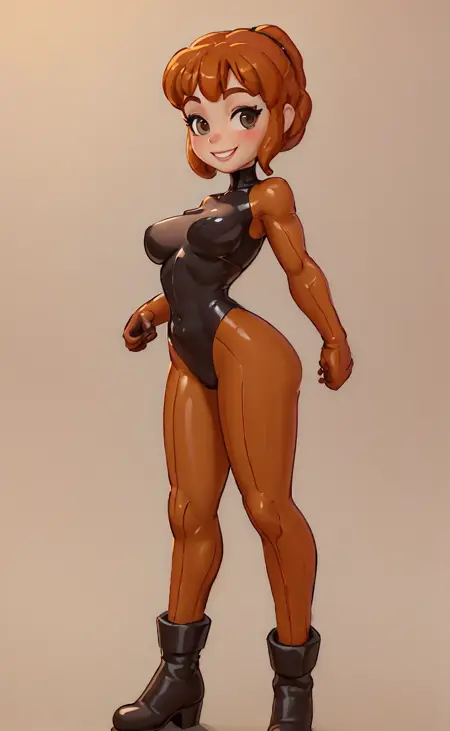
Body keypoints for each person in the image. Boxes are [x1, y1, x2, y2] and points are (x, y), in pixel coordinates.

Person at [112, 24, 353, 731]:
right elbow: (192, 276)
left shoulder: (269, 196)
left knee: (268, 510)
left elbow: (300, 270)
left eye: (242, 113)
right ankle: (178, 679)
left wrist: (334, 336)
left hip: (247, 353)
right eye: (200, 119)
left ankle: (293, 693)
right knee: (188, 513)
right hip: (189, 353)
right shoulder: (214, 204)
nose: (219, 134)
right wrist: (152, 311)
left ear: (282, 114)